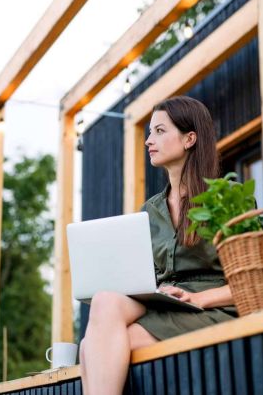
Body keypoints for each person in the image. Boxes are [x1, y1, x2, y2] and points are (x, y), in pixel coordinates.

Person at [79, 96, 237, 394]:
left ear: (190, 138)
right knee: (104, 300)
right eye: (150, 132)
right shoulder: (150, 211)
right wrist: (155, 289)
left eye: (160, 131)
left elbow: (254, 278)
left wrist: (200, 298)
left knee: (92, 347)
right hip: (166, 305)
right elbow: (147, 276)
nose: (149, 140)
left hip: (211, 308)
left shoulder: (228, 197)